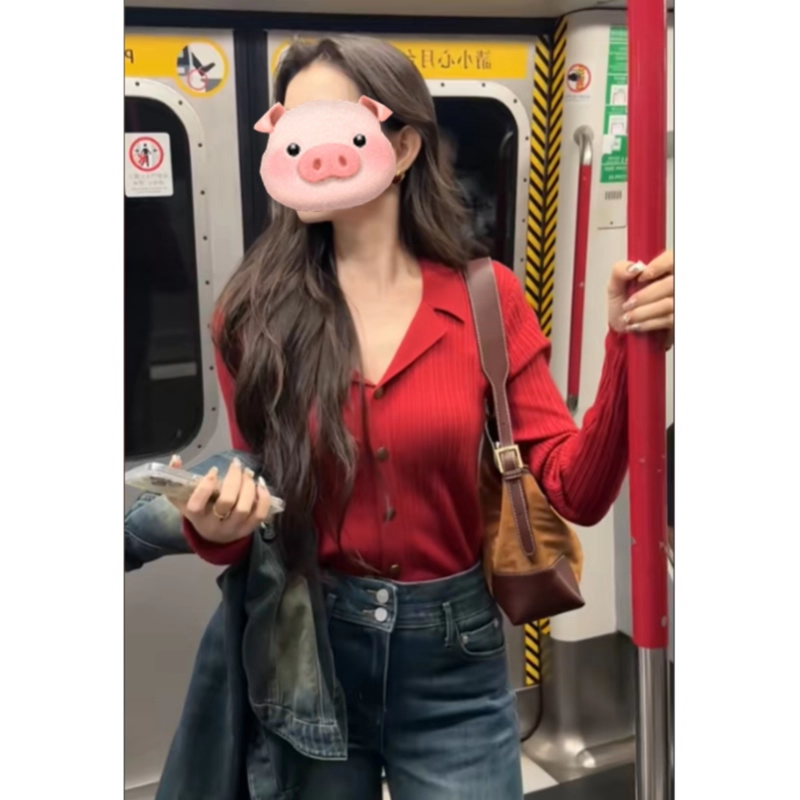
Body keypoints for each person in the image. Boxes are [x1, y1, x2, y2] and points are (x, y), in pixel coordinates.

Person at [168, 36, 675, 800]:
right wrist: (218, 528)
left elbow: (577, 490)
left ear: (403, 146)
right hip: (310, 646)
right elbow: (258, 494)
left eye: (336, 124)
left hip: (454, 656)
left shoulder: (487, 299)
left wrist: (627, 346)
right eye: (292, 131)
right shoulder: (250, 317)